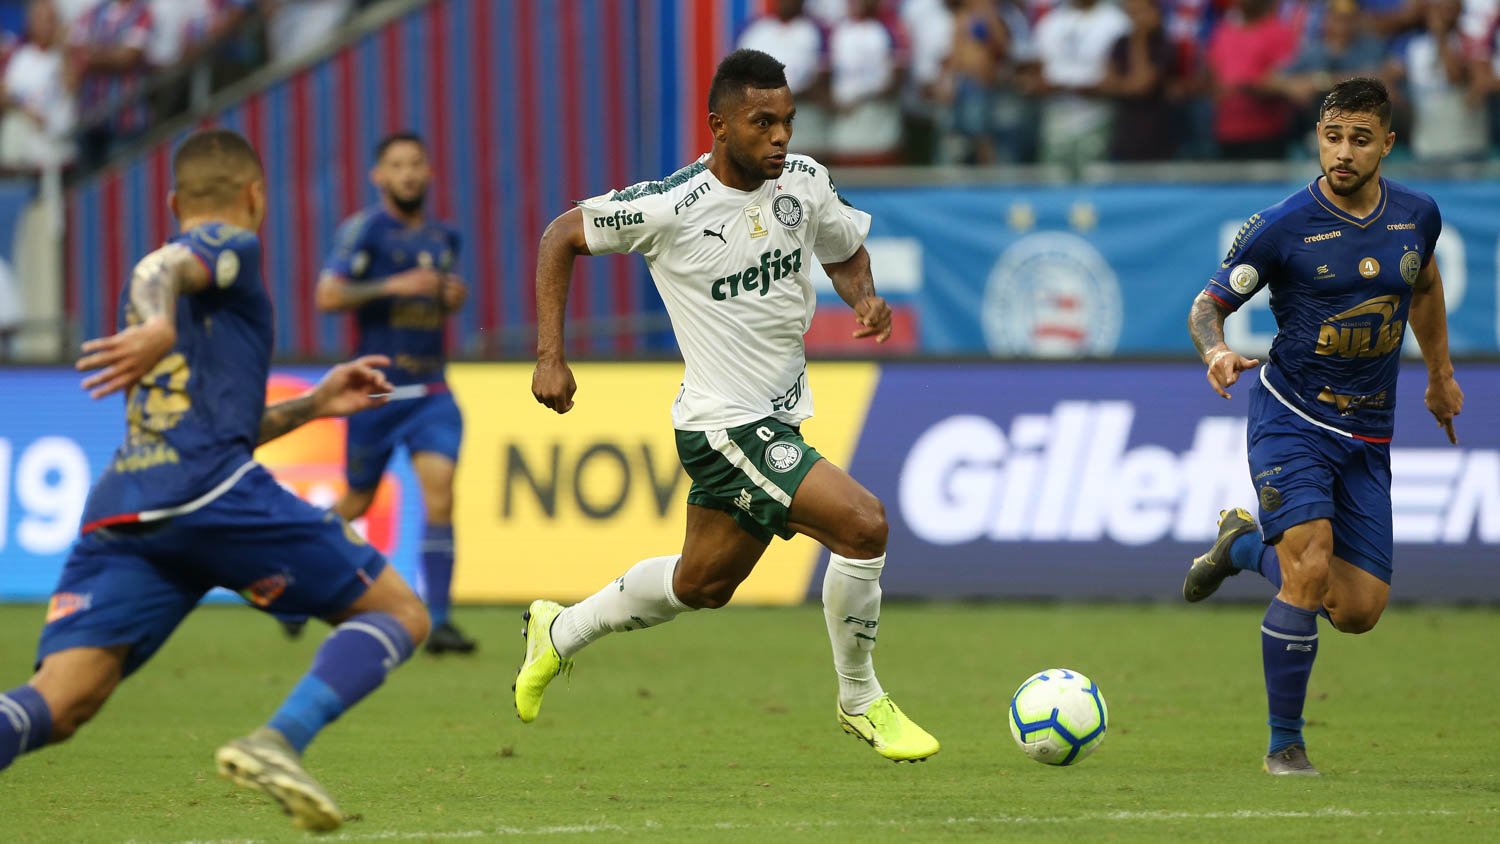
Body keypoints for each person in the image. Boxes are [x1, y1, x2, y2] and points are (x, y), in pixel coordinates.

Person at [0, 129, 431, 833]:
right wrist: (160, 323)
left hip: (129, 510)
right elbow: (164, 267)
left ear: (173, 200)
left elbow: (217, 422)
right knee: (400, 613)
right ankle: (278, 741)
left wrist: (314, 405)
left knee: (60, 701)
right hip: (212, 495)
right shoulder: (228, 247)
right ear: (256, 196)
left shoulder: (167, 289)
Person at [517, 48, 940, 763]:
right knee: (863, 525)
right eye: (762, 122)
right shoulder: (670, 206)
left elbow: (842, 250)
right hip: (724, 426)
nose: (781, 137)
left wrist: (863, 297)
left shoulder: (804, 182)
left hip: (778, 415)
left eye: (788, 121)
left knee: (701, 583)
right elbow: (560, 235)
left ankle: (559, 631)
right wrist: (549, 356)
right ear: (719, 125)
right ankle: (860, 698)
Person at [1182, 78, 1463, 776]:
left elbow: (1425, 288)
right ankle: (1285, 746)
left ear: (1387, 144)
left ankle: (1244, 546)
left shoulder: (1417, 215)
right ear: (1318, 136)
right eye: (1333, 137)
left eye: (1360, 140)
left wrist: (1439, 376)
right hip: (1293, 418)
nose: (1343, 152)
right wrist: (1216, 351)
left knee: (1359, 610)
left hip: (1369, 431)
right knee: (1307, 569)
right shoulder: (1282, 225)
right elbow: (1207, 306)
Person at [312, 131, 474, 654]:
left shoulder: (444, 238)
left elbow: (438, 300)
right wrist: (392, 286)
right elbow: (327, 295)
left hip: (431, 390)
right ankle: (296, 576)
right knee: (356, 501)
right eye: (397, 165)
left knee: (441, 494)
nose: (407, 173)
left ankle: (440, 621)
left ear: (429, 173)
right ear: (378, 176)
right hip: (377, 393)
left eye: (415, 164)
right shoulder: (363, 231)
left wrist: (450, 298)